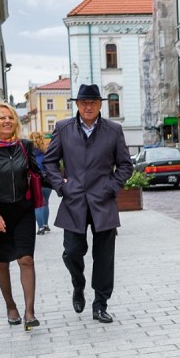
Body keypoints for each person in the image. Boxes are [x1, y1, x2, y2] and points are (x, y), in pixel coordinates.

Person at [43, 84, 134, 324]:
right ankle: (78, 283)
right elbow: (50, 162)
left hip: (103, 201)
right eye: (84, 102)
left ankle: (100, 304)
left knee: (104, 256)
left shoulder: (113, 130)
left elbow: (125, 165)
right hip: (73, 201)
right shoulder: (63, 129)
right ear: (77, 105)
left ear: (100, 105)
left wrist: (112, 187)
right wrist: (61, 186)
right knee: (72, 251)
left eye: (93, 102)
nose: (88, 106)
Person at [0, 102, 42, 330]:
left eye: (10, 117)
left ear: (15, 121)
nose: (6, 121)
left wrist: (63, 183)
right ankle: (10, 305)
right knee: (2, 262)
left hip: (22, 211)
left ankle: (30, 312)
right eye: (2, 117)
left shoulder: (25, 145)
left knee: (26, 259)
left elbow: (36, 173)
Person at [29, 131, 52, 235]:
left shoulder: (28, 154)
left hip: (35, 182)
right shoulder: (46, 153)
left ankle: (40, 227)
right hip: (47, 181)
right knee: (46, 202)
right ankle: (46, 225)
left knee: (38, 204)